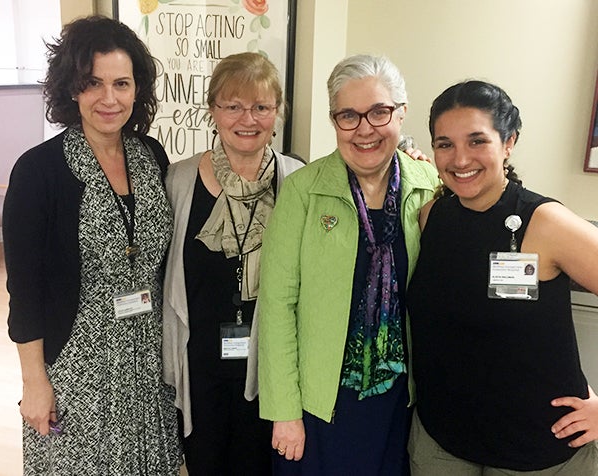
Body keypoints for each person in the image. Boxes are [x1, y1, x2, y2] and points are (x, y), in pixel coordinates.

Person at [4, 16, 181, 474]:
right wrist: (35, 381)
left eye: (121, 83)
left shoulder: (152, 157)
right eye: (93, 83)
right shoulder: (38, 171)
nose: (109, 98)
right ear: (71, 88)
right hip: (77, 368)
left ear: (137, 89)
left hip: (147, 362)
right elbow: (25, 294)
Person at [257, 54, 439, 475]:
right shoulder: (305, 189)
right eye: (348, 116)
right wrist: (285, 410)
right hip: (320, 402)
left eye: (379, 112)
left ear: (402, 112)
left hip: (398, 399)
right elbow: (278, 305)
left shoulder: (430, 186)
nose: (365, 129)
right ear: (334, 120)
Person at [407, 80, 598, 475]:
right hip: (442, 445)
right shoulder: (431, 218)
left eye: (477, 141)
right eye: (445, 144)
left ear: (508, 142)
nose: (460, 159)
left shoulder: (545, 223)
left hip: (538, 452)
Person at [161, 52, 304, 475]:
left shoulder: (297, 181)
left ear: (276, 112)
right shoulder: (177, 180)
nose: (248, 118)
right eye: (233, 105)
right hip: (198, 363)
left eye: (261, 106)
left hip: (270, 366)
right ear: (213, 111)